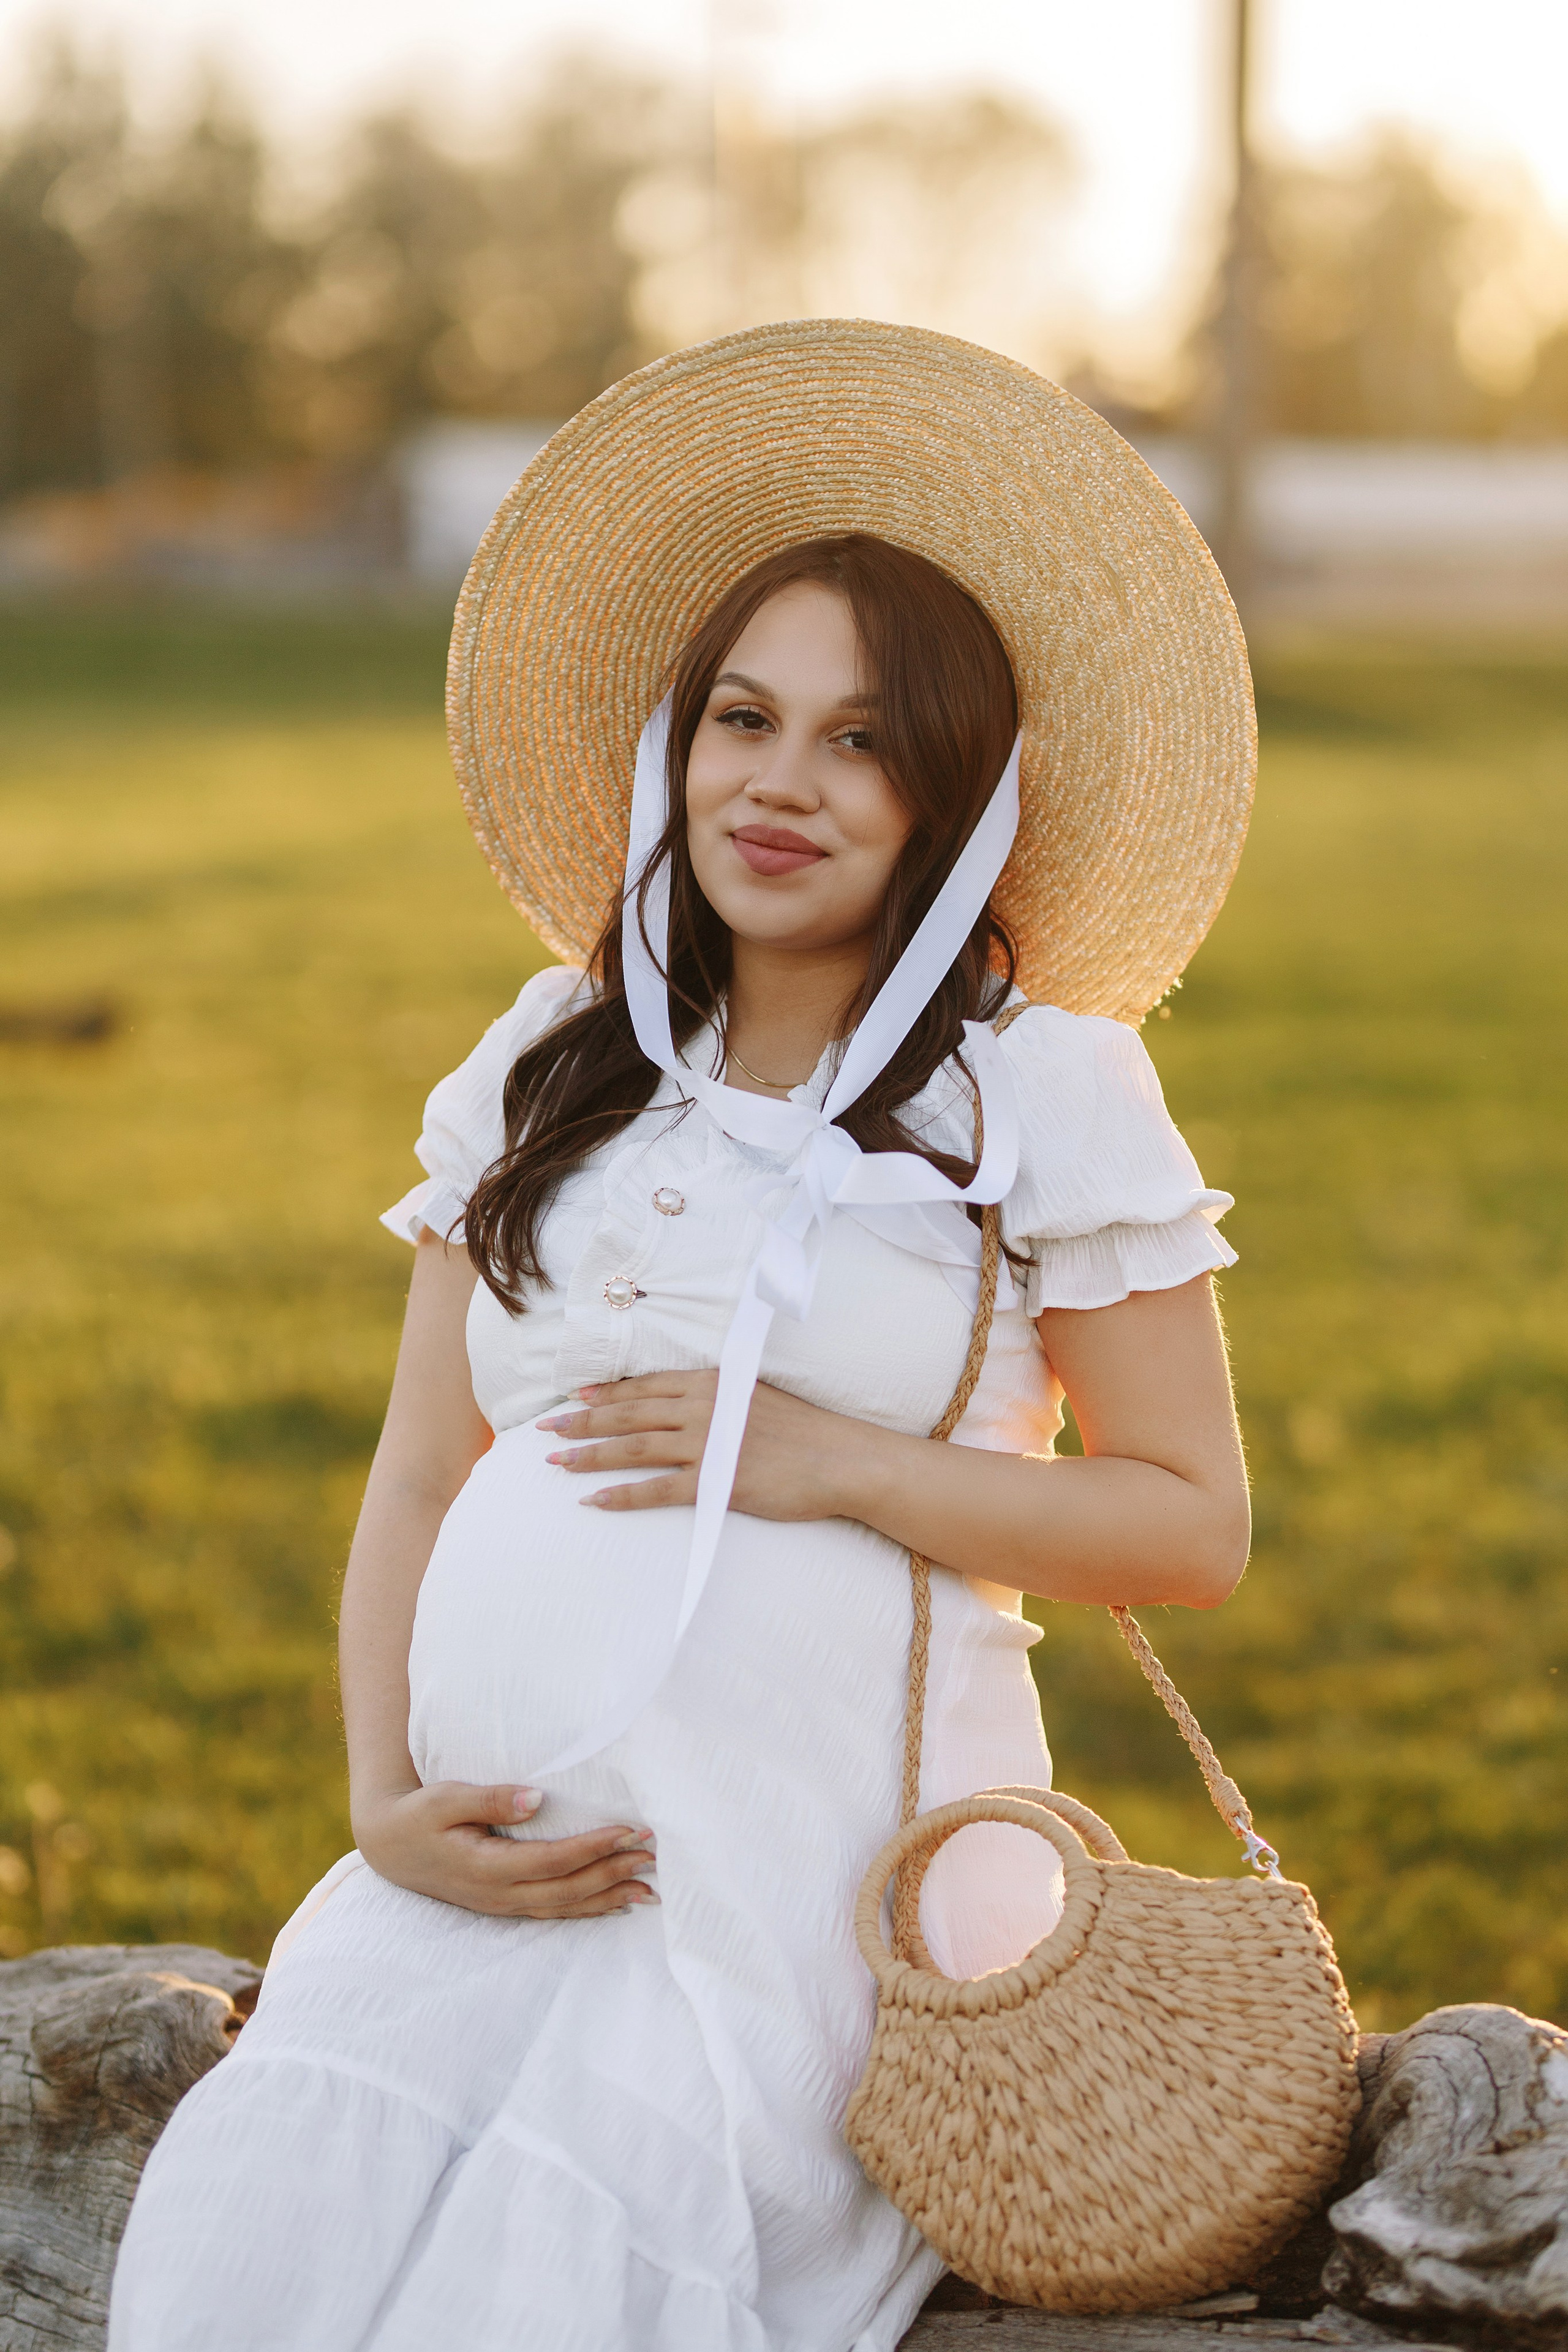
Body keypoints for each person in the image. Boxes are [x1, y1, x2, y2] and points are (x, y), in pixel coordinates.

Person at [108, 320, 1255, 2352]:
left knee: (554, 2283)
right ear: (678, 745)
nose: (780, 783)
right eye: (744, 718)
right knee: (251, 2256)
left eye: (862, 742)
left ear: (953, 801)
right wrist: (382, 1800)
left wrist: (831, 1463)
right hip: (472, 1886)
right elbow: (422, 1470)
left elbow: (1191, 1528)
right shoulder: (554, 1052)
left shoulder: (1042, 1089)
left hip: (791, 1907)